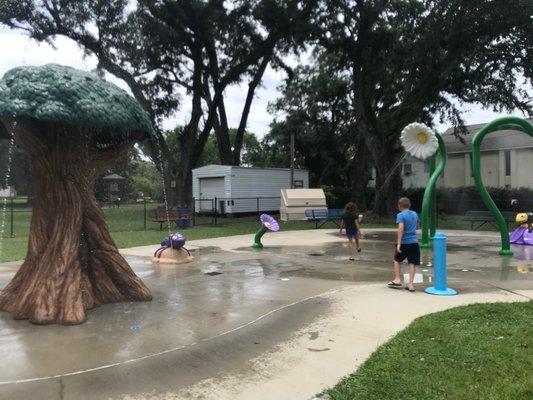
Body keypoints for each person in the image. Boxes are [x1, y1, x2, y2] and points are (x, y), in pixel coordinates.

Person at [388, 197, 420, 292]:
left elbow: (400, 229)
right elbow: (417, 226)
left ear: (399, 206)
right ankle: (410, 284)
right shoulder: (415, 214)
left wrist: (398, 243)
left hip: (404, 242)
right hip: (414, 242)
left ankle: (397, 279)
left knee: (396, 260)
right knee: (412, 263)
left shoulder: (400, 215)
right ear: (409, 205)